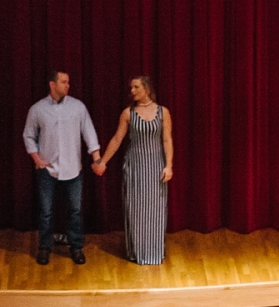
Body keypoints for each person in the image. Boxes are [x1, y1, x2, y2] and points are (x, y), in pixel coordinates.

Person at [23, 70, 101, 265]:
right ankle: (44, 246)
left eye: (68, 82)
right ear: (52, 84)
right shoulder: (38, 109)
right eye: (64, 82)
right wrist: (37, 159)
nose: (68, 85)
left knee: (75, 210)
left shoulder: (77, 107)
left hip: (73, 169)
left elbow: (89, 133)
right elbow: (28, 135)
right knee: (46, 211)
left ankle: (76, 247)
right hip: (47, 170)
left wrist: (97, 159)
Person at [93, 75, 173, 265]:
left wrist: (169, 165)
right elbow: (117, 139)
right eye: (131, 88)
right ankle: (137, 252)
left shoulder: (163, 112)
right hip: (136, 166)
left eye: (136, 87)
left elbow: (167, 139)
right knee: (136, 209)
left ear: (146, 88)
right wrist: (102, 162)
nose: (132, 91)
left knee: (155, 209)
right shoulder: (128, 113)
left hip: (155, 166)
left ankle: (154, 252)